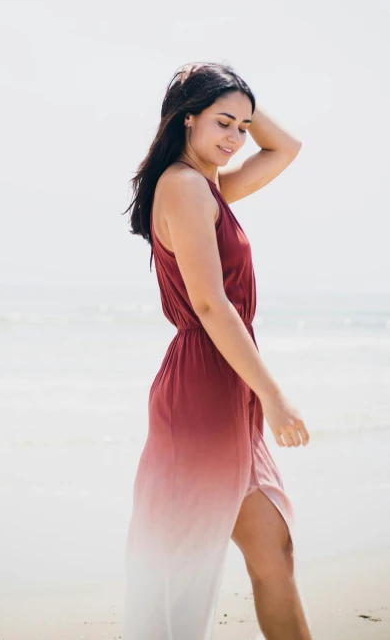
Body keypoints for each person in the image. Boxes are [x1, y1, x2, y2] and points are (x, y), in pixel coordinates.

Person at [122, 62, 313, 639]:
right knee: (181, 570)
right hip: (207, 387)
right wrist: (274, 397)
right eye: (222, 123)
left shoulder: (207, 186)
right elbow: (210, 306)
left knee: (273, 552)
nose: (236, 138)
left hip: (227, 383)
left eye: (242, 127)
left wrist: (239, 100)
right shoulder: (183, 186)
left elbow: (287, 147)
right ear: (187, 120)